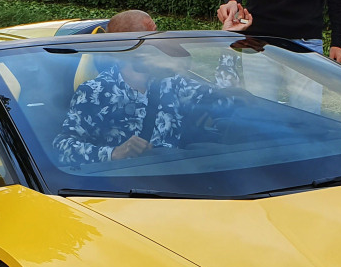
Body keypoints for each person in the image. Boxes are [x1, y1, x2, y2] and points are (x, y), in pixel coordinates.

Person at [52, 11, 233, 165]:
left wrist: (229, 42)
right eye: (150, 36)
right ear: (128, 46)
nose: (159, 42)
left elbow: (226, 100)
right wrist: (114, 153)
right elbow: (63, 146)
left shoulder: (173, 82)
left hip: (177, 181)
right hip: (120, 190)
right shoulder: (96, 91)